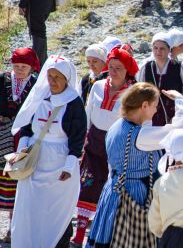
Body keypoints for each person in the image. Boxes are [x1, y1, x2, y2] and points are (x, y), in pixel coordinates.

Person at [87, 82, 183, 247]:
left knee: (110, 237)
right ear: (144, 105)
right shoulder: (140, 136)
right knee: (131, 240)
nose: (156, 110)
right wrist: (179, 100)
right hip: (133, 194)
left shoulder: (116, 126)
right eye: (155, 106)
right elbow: (181, 132)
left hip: (113, 190)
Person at [10, 55, 87, 248]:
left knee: (54, 211)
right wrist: (21, 153)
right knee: (29, 208)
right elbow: (26, 127)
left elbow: (77, 139)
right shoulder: (40, 97)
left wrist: (68, 168)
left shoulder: (74, 103)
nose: (52, 82)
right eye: (50, 76)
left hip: (58, 166)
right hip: (33, 162)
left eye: (57, 77)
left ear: (67, 79)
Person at [71, 48, 139, 246]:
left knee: (112, 188)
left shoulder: (133, 92)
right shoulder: (98, 86)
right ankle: (80, 232)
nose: (114, 71)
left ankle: (107, 233)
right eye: (111, 67)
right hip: (94, 142)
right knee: (87, 185)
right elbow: (88, 112)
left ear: (127, 70)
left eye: (119, 68)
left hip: (117, 143)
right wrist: (84, 139)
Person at [0, 47, 39, 243]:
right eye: (16, 66)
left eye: (24, 67)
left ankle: (15, 227)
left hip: (24, 137)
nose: (19, 70)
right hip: (2, 136)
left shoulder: (37, 84)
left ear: (32, 67)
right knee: (4, 178)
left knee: (19, 178)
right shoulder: (3, 80)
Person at [138, 32, 183, 126]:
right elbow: (139, 92)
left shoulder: (180, 67)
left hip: (174, 118)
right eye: (155, 48)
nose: (158, 51)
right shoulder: (146, 67)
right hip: (150, 119)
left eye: (162, 48)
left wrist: (181, 110)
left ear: (169, 49)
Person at [19, 0, 62, 66]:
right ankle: (42, 63)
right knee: (40, 31)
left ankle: (38, 66)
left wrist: (22, 3)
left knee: (38, 32)